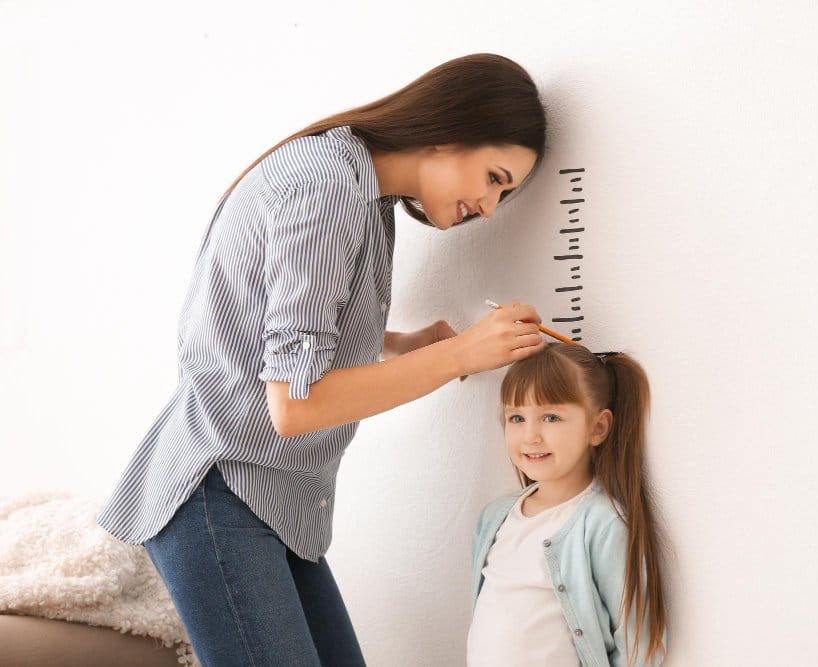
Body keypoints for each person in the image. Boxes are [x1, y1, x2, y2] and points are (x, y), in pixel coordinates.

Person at [97, 53, 548, 666]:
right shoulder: (328, 187)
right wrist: (461, 354)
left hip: (270, 497)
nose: (491, 207)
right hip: (222, 486)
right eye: (495, 179)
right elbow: (294, 404)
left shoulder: (360, 192)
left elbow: (284, 319)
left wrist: (401, 345)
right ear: (449, 134)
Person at [468, 343, 670, 666]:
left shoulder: (602, 524)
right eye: (517, 417)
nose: (531, 435)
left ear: (597, 427)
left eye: (550, 416)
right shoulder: (494, 518)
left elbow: (639, 644)